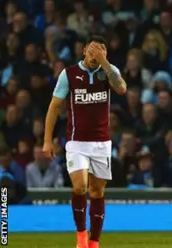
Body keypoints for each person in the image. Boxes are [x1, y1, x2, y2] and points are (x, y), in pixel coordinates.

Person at [43, 35, 127, 248]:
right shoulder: (69, 74)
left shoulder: (109, 73)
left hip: (101, 143)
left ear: (105, 54)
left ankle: (94, 242)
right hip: (76, 142)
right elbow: (54, 107)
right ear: (83, 52)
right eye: (91, 50)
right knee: (80, 187)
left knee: (98, 192)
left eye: (100, 51)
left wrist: (105, 63)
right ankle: (81, 234)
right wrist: (47, 140)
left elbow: (122, 89)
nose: (94, 55)